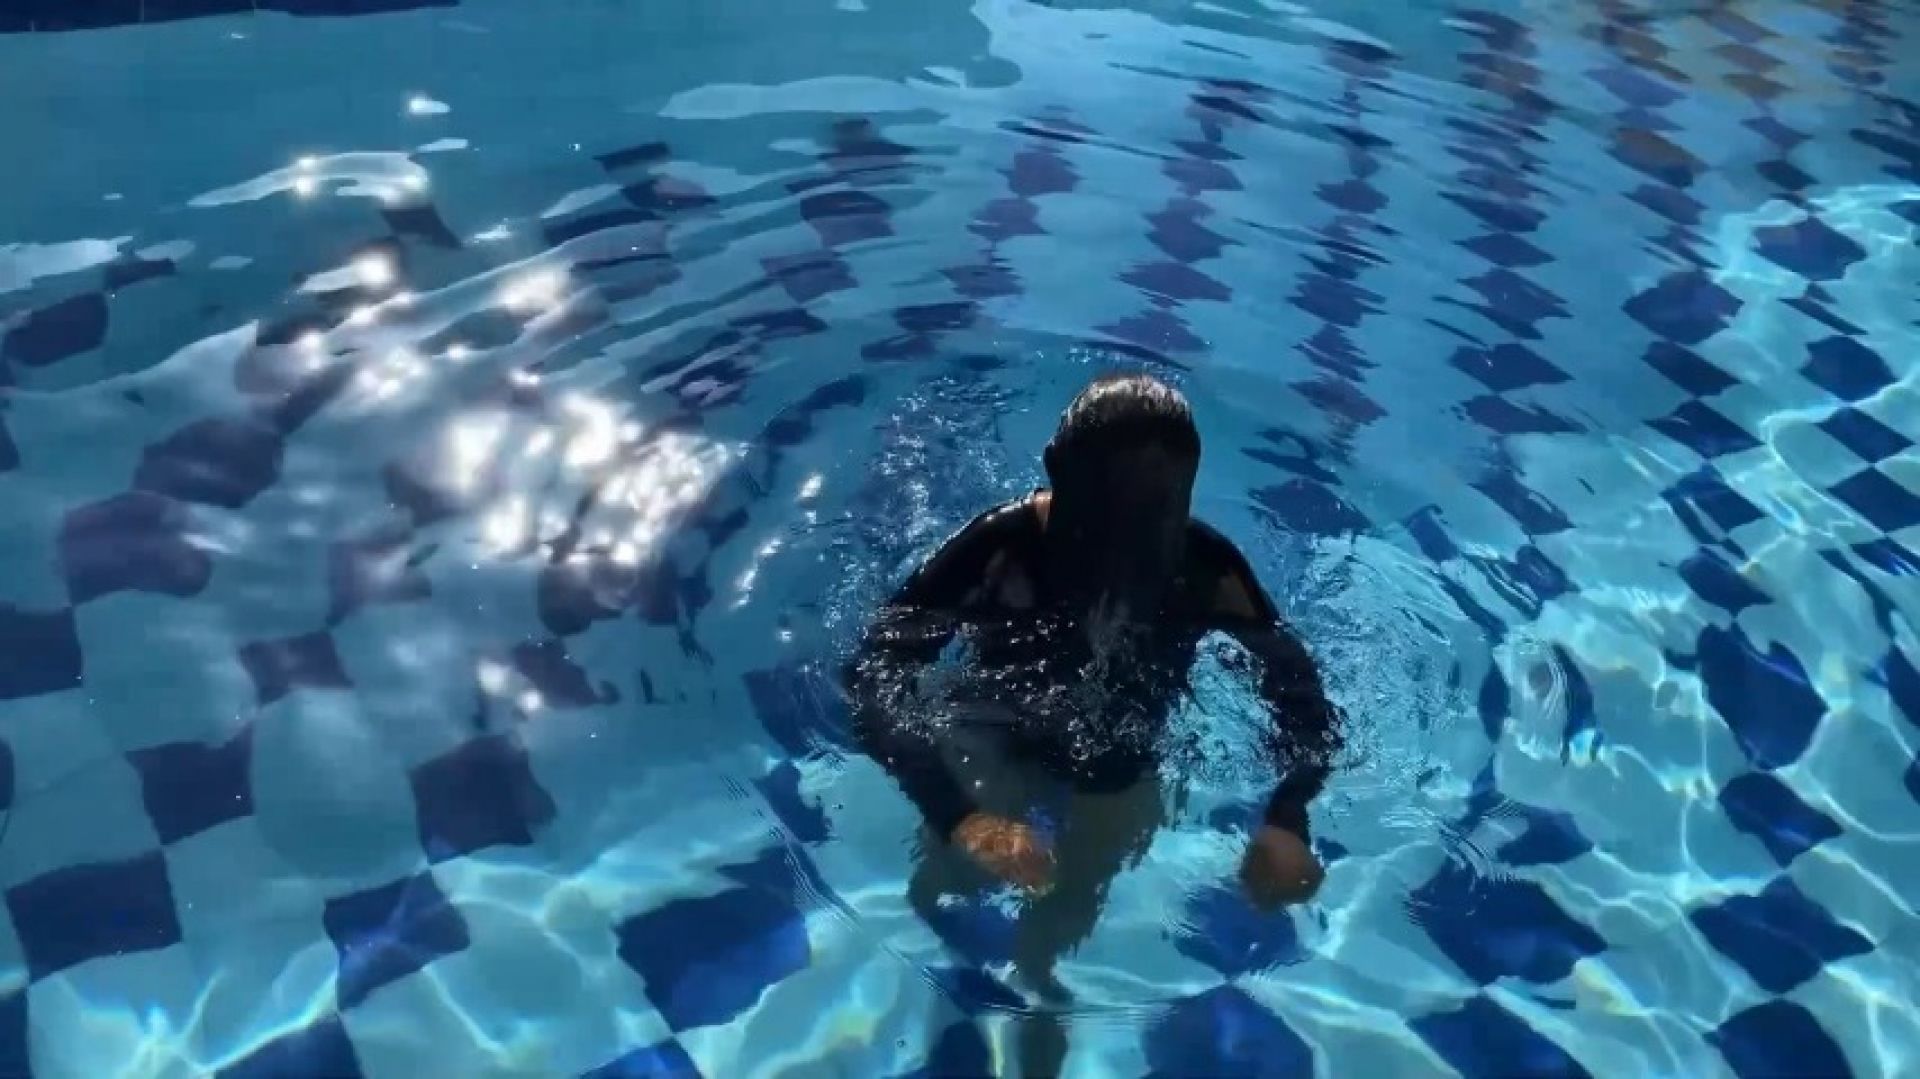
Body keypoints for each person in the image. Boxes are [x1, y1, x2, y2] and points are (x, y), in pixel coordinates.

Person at [844, 372, 1341, 998]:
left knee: (1080, 886)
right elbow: (871, 676)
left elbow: (1300, 695)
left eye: (1153, 522)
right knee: (952, 870)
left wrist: (1288, 816)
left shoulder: (1206, 569)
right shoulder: (998, 552)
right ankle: (938, 972)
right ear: (1054, 473)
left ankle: (1039, 980)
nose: (1124, 548)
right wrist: (960, 818)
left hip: (1121, 752)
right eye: (1103, 522)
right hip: (996, 723)